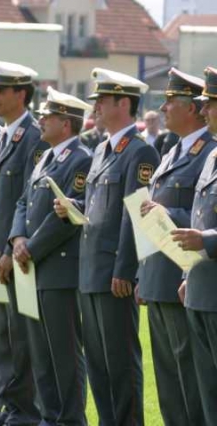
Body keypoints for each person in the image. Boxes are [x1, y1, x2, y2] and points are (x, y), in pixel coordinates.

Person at [54, 68, 160, 426]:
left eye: (102, 99)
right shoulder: (101, 148)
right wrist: (73, 207)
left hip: (115, 272)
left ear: (124, 103)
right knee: (98, 363)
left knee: (121, 362)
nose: (96, 106)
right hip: (90, 270)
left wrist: (125, 269)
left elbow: (135, 215)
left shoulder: (140, 153)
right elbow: (96, 204)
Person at [10, 87, 93, 426]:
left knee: (64, 353)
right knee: (41, 352)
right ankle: (49, 416)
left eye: (49, 116)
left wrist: (31, 246)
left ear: (66, 123)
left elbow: (66, 219)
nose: (41, 120)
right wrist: (17, 238)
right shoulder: (45, 157)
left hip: (58, 266)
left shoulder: (81, 159)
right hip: (33, 266)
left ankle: (70, 419)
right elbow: (23, 203)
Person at [0, 61, 47, 426]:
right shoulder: (4, 133)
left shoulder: (33, 136)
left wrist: (5, 250)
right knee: (1, 333)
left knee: (21, 334)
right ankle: (10, 405)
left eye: (1, 91)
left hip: (17, 255)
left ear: (22, 94)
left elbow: (27, 201)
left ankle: (26, 409)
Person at [136, 67, 212, 425]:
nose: (163, 110)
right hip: (160, 277)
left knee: (191, 379)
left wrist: (170, 212)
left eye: (170, 102)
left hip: (186, 276)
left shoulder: (207, 151)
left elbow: (199, 219)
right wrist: (141, 272)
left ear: (192, 109)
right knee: (167, 378)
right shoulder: (170, 150)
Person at [174, 65, 217, 425]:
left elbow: (205, 232)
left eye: (210, 104)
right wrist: (191, 273)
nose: (203, 111)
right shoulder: (213, 156)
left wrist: (206, 241)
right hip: (202, 291)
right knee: (208, 394)